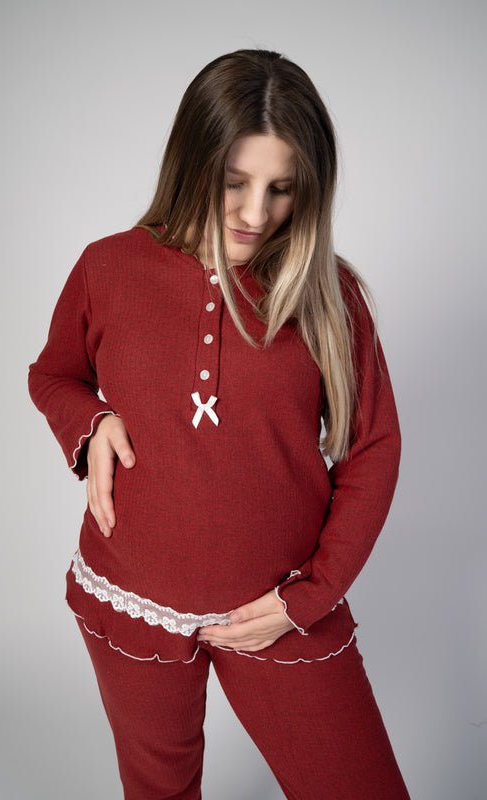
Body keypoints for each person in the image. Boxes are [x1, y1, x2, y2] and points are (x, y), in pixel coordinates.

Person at [29, 49, 410, 800]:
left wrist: (310, 597)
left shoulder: (328, 294)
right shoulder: (108, 267)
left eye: (281, 188)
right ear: (191, 159)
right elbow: (54, 373)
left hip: (281, 607)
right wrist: (91, 420)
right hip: (130, 597)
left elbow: (373, 448)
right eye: (234, 182)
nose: (255, 213)